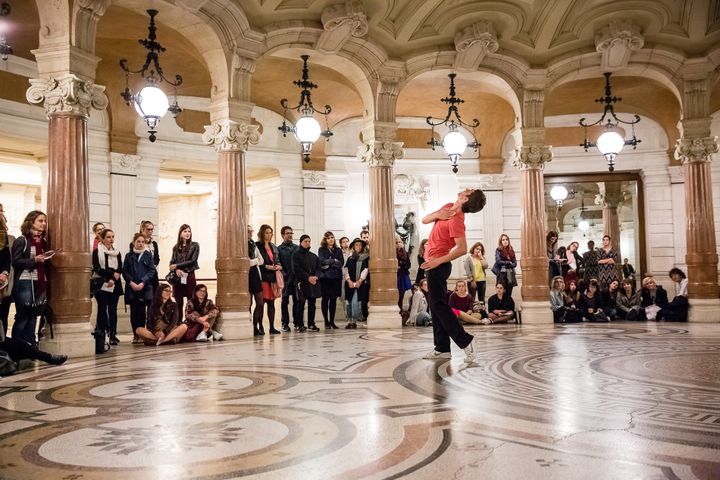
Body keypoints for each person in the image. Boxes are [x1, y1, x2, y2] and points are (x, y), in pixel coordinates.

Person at [420, 188, 486, 362]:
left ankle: (467, 341)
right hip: (432, 264)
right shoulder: (448, 208)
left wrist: (438, 261)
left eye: (469, 191)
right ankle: (442, 348)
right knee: (436, 307)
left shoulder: (457, 220)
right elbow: (424, 219)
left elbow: (463, 248)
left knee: (439, 306)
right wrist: (438, 214)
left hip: (438, 266)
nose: (466, 188)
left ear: (466, 199)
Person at [11, 210, 50, 346]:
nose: (44, 224)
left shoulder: (44, 242)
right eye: (40, 220)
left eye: (45, 221)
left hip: (40, 282)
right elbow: (16, 262)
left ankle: (31, 347)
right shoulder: (22, 240)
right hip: (25, 282)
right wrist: (34, 260)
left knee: (33, 316)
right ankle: (18, 347)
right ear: (31, 222)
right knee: (23, 316)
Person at [92, 228, 123, 345]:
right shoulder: (97, 251)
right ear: (103, 239)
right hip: (102, 283)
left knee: (113, 310)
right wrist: (110, 275)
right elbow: (97, 268)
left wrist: (114, 279)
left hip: (115, 283)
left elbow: (120, 267)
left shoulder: (117, 251)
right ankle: (101, 333)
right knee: (102, 309)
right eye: (108, 237)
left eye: (112, 237)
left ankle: (113, 334)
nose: (111, 239)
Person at [124, 233, 157, 344]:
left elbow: (152, 271)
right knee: (134, 312)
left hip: (144, 288)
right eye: (138, 241)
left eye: (143, 242)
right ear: (134, 242)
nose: (140, 243)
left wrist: (143, 282)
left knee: (142, 312)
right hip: (132, 288)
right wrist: (131, 282)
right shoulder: (129, 256)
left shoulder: (148, 255)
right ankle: (135, 335)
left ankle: (141, 334)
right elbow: (125, 271)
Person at [256, 224, 282, 335]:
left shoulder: (273, 246)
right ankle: (260, 326)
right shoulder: (257, 245)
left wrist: (279, 265)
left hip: (273, 277)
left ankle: (272, 327)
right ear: (262, 233)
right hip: (263, 277)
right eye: (266, 232)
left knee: (271, 303)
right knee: (262, 303)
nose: (269, 235)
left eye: (270, 232)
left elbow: (277, 260)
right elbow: (258, 261)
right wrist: (268, 267)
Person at [292, 234, 322, 332]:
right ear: (301, 242)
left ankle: (311, 324)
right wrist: (308, 277)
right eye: (305, 241)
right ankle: (299, 324)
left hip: (312, 282)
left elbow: (319, 268)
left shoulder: (313, 256)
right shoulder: (296, 255)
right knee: (301, 303)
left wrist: (315, 277)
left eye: (309, 241)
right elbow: (296, 269)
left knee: (312, 303)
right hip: (301, 282)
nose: (308, 243)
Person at [169, 224, 199, 314]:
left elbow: (193, 261)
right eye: (185, 231)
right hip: (178, 277)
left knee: (191, 302)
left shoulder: (195, 245)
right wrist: (176, 270)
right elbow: (171, 263)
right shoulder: (176, 247)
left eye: (189, 231)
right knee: (179, 303)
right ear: (180, 233)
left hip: (189, 275)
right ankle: (178, 324)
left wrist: (177, 266)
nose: (187, 233)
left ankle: (189, 324)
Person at [318, 231, 343, 329]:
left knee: (333, 300)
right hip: (325, 278)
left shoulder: (338, 250)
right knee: (325, 300)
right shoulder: (322, 249)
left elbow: (341, 262)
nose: (330, 239)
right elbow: (321, 261)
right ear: (325, 240)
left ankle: (332, 321)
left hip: (336, 278)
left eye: (332, 237)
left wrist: (329, 264)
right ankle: (326, 322)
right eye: (328, 238)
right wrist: (333, 260)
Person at [344, 238, 369, 329]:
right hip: (349, 283)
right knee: (348, 303)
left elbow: (366, 270)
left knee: (355, 302)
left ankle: (355, 320)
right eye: (356, 245)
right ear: (354, 247)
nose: (358, 246)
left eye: (360, 245)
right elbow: (346, 269)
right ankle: (350, 321)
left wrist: (359, 281)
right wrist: (349, 280)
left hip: (360, 284)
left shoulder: (365, 257)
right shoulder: (350, 257)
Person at [277, 226, 299, 332]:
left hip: (296, 279)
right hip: (285, 279)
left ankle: (296, 322)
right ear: (282, 235)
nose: (290, 235)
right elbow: (278, 263)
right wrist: (284, 274)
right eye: (287, 233)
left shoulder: (297, 248)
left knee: (297, 301)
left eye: (291, 233)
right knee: (285, 302)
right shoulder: (279, 249)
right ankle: (285, 323)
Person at [248, 225, 265, 335]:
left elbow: (262, 260)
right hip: (247, 275)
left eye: (251, 231)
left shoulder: (253, 244)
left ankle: (255, 325)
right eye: (248, 231)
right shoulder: (241, 244)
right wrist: (255, 261)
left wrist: (253, 261)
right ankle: (249, 327)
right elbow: (246, 263)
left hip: (256, 275)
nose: (250, 233)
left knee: (260, 303)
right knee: (248, 304)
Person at [0, 203, 12, 336]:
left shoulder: (3, 234)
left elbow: (6, 258)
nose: (1, 213)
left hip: (2, 283)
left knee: (2, 316)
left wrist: (4, 273)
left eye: (2, 211)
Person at [492, 233, 517, 298]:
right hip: (502, 274)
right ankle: (502, 307)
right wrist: (508, 263)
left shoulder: (511, 250)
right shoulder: (499, 250)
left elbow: (515, 263)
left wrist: (509, 264)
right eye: (503, 240)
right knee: (502, 293)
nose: (505, 241)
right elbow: (498, 261)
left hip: (510, 273)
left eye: (506, 239)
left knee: (509, 292)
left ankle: (508, 307)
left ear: (508, 241)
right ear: (501, 242)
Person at [396, 236, 412, 313]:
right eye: (397, 242)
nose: (398, 244)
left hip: (403, 275)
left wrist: (401, 265)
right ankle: (397, 308)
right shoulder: (392, 253)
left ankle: (400, 308)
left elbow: (408, 265)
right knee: (396, 293)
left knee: (402, 294)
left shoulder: (405, 253)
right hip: (396, 276)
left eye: (400, 242)